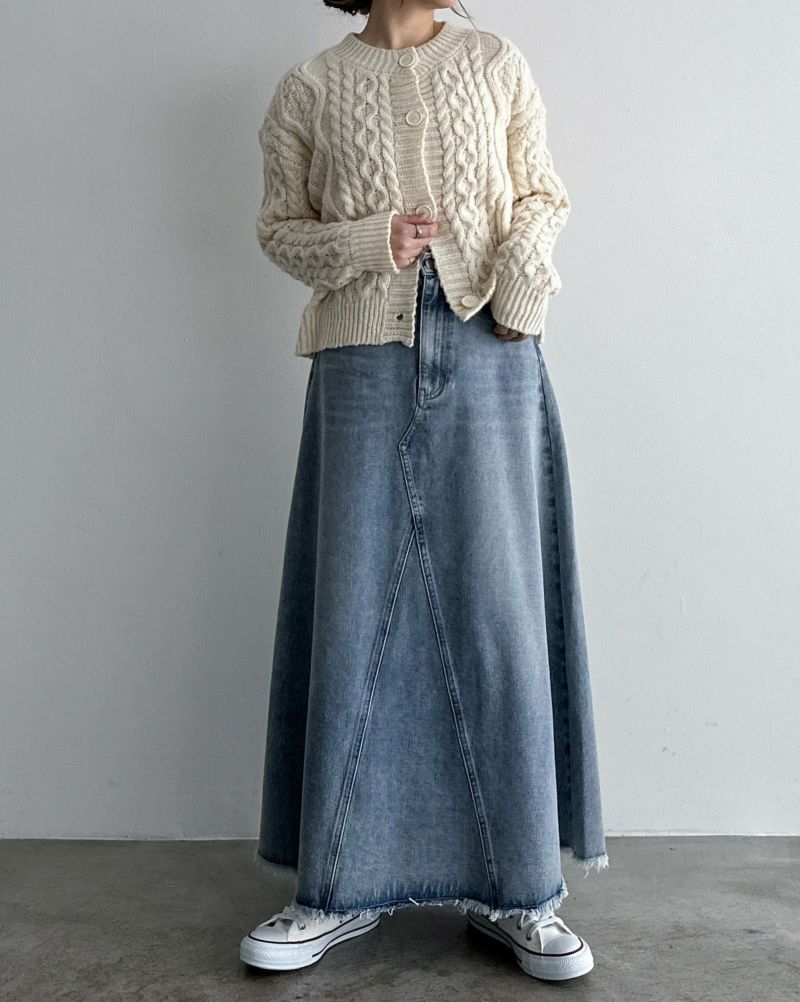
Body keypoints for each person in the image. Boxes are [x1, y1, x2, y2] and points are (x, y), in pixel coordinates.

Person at [240, 0, 608, 982]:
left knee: (497, 610)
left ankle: (519, 890)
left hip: (491, 346)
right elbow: (279, 229)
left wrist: (521, 286)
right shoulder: (311, 86)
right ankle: (334, 889)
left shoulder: (493, 60)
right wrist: (371, 242)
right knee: (354, 605)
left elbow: (541, 195)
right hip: (362, 351)